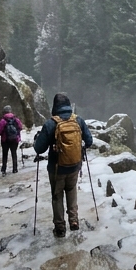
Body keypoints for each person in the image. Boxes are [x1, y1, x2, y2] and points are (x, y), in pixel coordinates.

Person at [33, 93, 92, 237]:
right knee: (71, 191)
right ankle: (74, 221)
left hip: (56, 168)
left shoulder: (50, 123)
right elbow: (89, 141)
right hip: (75, 165)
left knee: (57, 196)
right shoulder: (78, 120)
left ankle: (60, 227)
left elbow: (39, 149)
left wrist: (38, 139)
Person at [0, 105, 23, 174]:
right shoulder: (16, 119)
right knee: (14, 153)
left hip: (5, 140)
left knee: (5, 154)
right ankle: (15, 169)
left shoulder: (3, 121)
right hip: (15, 139)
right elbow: (20, 127)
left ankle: (4, 169)